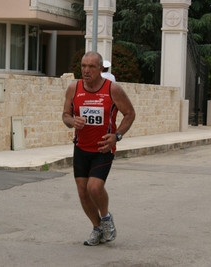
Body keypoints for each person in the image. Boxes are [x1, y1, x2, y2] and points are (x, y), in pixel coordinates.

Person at [62, 51, 135, 246]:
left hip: (103, 148)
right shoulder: (73, 88)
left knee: (94, 187)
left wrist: (117, 136)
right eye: (83, 66)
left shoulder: (113, 89)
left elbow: (129, 114)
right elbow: (65, 115)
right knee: (82, 191)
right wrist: (72, 121)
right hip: (81, 148)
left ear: (101, 69)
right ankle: (97, 228)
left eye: (91, 67)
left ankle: (106, 218)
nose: (86, 70)